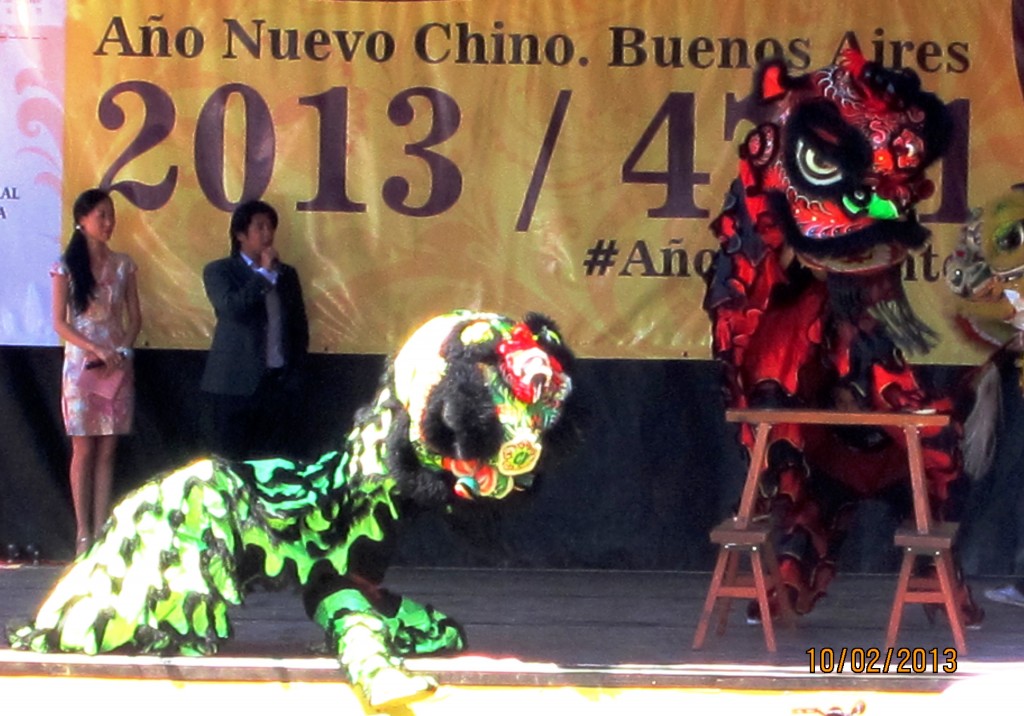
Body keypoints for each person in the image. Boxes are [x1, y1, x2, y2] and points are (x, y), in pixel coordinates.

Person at [50, 188, 141, 555]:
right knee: (83, 448)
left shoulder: (124, 264)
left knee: (107, 448)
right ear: (81, 220)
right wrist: (95, 348)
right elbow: (59, 322)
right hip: (82, 365)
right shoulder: (65, 265)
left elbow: (134, 317)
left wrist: (121, 349)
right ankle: (83, 532)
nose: (108, 222)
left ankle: (103, 528)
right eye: (101, 215)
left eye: (111, 215)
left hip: (116, 364)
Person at [200, 199, 309, 461]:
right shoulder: (219, 270)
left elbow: (298, 326)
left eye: (271, 227)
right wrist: (262, 274)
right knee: (231, 462)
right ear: (240, 235)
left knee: (273, 463)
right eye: (259, 227)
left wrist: (293, 372)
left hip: (276, 384)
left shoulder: (287, 275)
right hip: (233, 385)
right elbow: (230, 308)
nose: (267, 234)